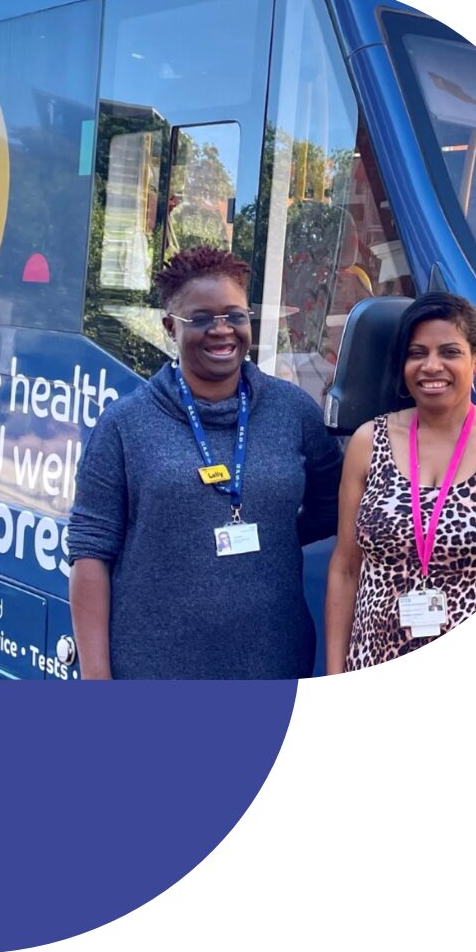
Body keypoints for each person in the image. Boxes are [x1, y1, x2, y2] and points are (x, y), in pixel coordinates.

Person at [68, 245, 342, 680]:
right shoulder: (125, 424)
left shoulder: (293, 411)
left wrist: (273, 533)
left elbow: (334, 504)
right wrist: (96, 682)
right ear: (169, 327)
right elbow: (89, 556)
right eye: (200, 319)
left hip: (273, 663)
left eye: (234, 315)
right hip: (154, 670)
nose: (222, 330)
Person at [325, 292, 476, 673]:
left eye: (449, 352)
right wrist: (335, 672)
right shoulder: (369, 441)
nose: (431, 366)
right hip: (375, 661)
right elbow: (345, 568)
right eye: (417, 353)